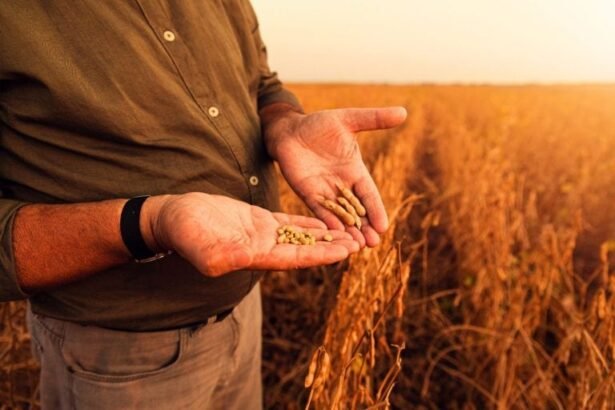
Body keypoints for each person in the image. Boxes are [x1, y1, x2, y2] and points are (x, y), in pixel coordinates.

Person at [0, 1, 406, 408]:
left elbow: (261, 83)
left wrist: (285, 124)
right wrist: (148, 224)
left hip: (244, 310)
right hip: (117, 357)